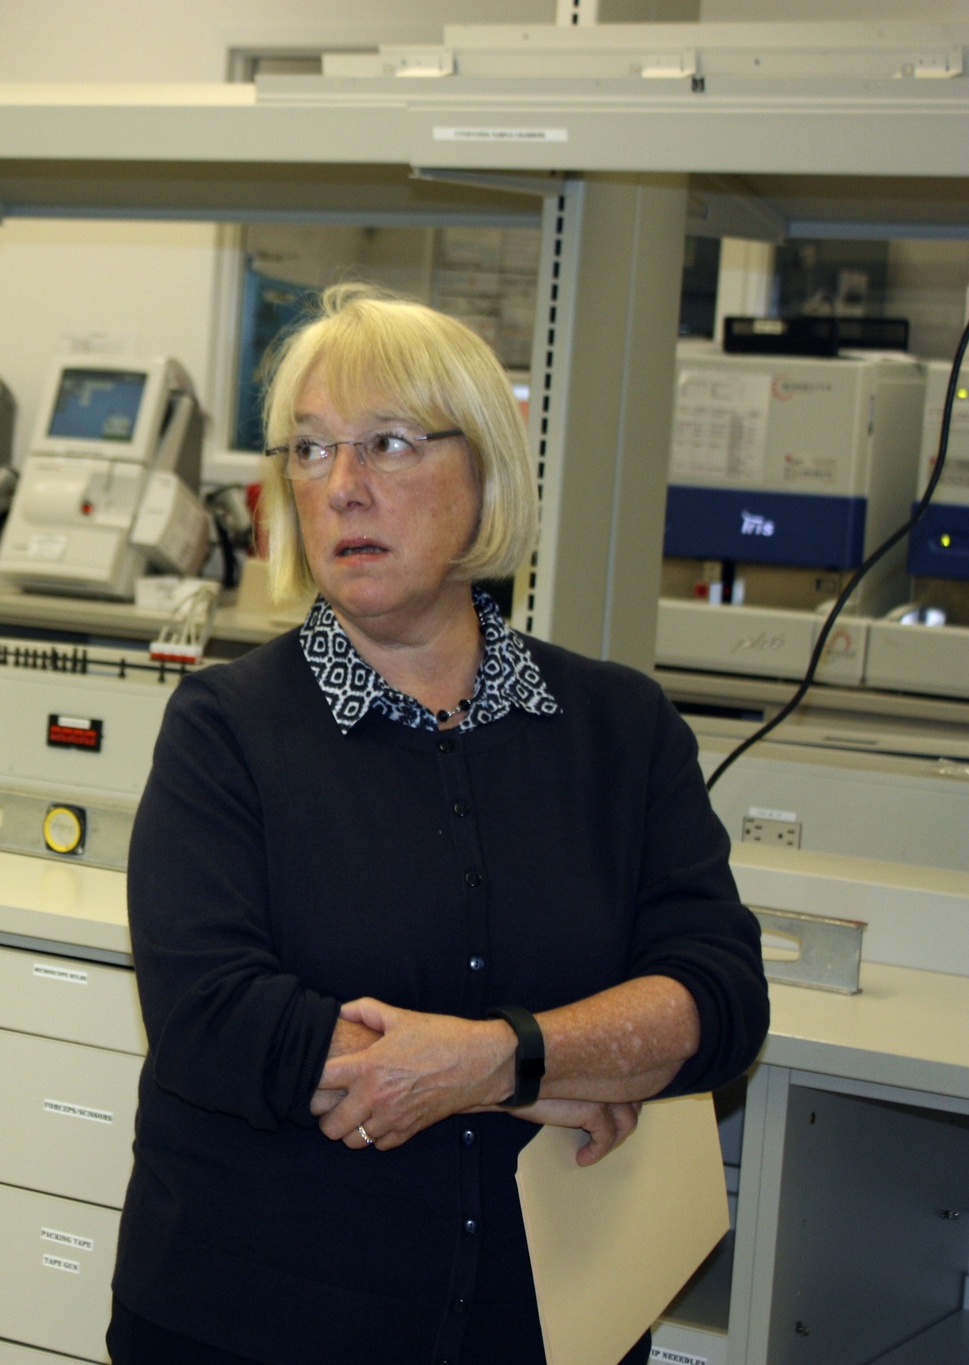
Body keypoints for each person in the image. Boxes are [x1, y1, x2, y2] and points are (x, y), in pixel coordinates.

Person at [109, 284, 769, 1365]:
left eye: (387, 443)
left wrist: (497, 1060)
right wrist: (559, 1068)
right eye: (311, 452)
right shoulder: (225, 728)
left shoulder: (616, 729)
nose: (343, 489)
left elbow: (715, 998)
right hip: (258, 1324)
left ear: (484, 472)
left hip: (543, 1326)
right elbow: (215, 1017)